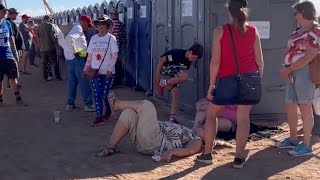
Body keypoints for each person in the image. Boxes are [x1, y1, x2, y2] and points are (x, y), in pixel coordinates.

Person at [196, 0, 264, 169]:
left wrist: (211, 85)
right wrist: (256, 79)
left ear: (229, 11)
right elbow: (259, 61)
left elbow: (215, 62)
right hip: (249, 79)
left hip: (226, 80)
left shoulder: (220, 31)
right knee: (243, 118)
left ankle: (207, 154)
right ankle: (239, 158)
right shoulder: (253, 31)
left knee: (212, 113)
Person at [95, 92, 202, 162]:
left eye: (205, 129)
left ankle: (116, 105)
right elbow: (201, 105)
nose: (203, 127)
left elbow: (189, 150)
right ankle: (110, 147)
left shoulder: (196, 139)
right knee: (129, 113)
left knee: (147, 105)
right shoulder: (188, 130)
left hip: (155, 142)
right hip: (150, 135)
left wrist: (173, 152)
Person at [275, 1, 319, 156]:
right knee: (290, 104)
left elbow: (309, 56)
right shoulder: (298, 30)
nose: (295, 16)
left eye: (296, 13)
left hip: (304, 72)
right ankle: (293, 139)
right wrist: (284, 66)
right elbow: (288, 49)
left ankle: (306, 146)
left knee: (306, 107)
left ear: (303, 13)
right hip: (292, 71)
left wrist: (289, 69)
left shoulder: (315, 31)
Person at [83, 15, 118, 126]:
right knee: (97, 94)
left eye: (103, 24)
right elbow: (90, 56)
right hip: (95, 71)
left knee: (104, 94)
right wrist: (86, 69)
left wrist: (110, 69)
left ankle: (108, 110)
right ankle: (99, 117)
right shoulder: (94, 38)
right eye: (98, 24)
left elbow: (114, 55)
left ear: (107, 26)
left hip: (107, 72)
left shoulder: (111, 38)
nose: (100, 26)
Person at [155, 43, 203, 124]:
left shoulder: (188, 62)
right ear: (190, 52)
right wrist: (158, 76)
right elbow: (162, 60)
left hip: (173, 72)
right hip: (165, 68)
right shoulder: (176, 55)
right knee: (184, 76)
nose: (194, 60)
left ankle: (172, 118)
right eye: (194, 57)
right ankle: (163, 83)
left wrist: (173, 82)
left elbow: (178, 73)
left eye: (196, 59)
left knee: (176, 92)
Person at [63, 15, 95, 112]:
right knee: (84, 80)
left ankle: (70, 104)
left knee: (72, 82)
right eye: (88, 25)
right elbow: (70, 39)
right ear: (84, 22)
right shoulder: (78, 28)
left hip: (70, 59)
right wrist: (75, 51)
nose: (88, 28)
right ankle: (88, 104)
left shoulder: (72, 27)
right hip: (77, 59)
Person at [0, 4, 26, 106]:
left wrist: (15, 53)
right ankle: (0, 100)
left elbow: (11, 39)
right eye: (3, 11)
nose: (5, 13)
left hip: (9, 56)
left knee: (13, 77)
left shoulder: (7, 23)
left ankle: (18, 99)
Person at [37, 15, 62, 81]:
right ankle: (58, 76)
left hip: (43, 48)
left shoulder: (39, 26)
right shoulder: (50, 25)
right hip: (51, 47)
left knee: (45, 63)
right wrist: (57, 45)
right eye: (50, 19)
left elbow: (38, 37)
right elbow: (53, 37)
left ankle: (45, 77)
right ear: (48, 19)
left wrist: (39, 46)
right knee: (55, 62)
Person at [110, 9, 126, 88]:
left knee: (111, 65)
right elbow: (123, 36)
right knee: (118, 65)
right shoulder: (120, 24)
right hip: (118, 48)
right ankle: (119, 82)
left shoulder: (109, 24)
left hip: (110, 48)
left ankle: (112, 82)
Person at [6, 8, 22, 89]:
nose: (16, 15)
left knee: (12, 67)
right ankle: (12, 84)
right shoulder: (8, 23)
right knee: (12, 68)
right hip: (11, 49)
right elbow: (11, 37)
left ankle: (11, 83)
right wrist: (15, 51)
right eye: (15, 14)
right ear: (11, 14)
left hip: (13, 48)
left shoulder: (10, 22)